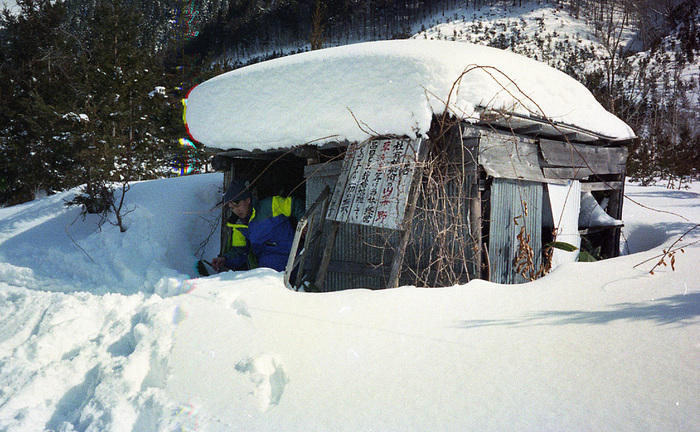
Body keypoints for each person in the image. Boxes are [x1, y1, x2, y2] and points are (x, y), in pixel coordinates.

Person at [204, 180, 305, 275]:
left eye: (238, 205)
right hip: (267, 269)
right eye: (232, 208)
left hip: (292, 260)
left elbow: (295, 204)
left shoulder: (271, 205)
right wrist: (225, 259)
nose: (236, 210)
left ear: (248, 200)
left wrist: (304, 222)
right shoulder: (238, 225)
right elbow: (240, 251)